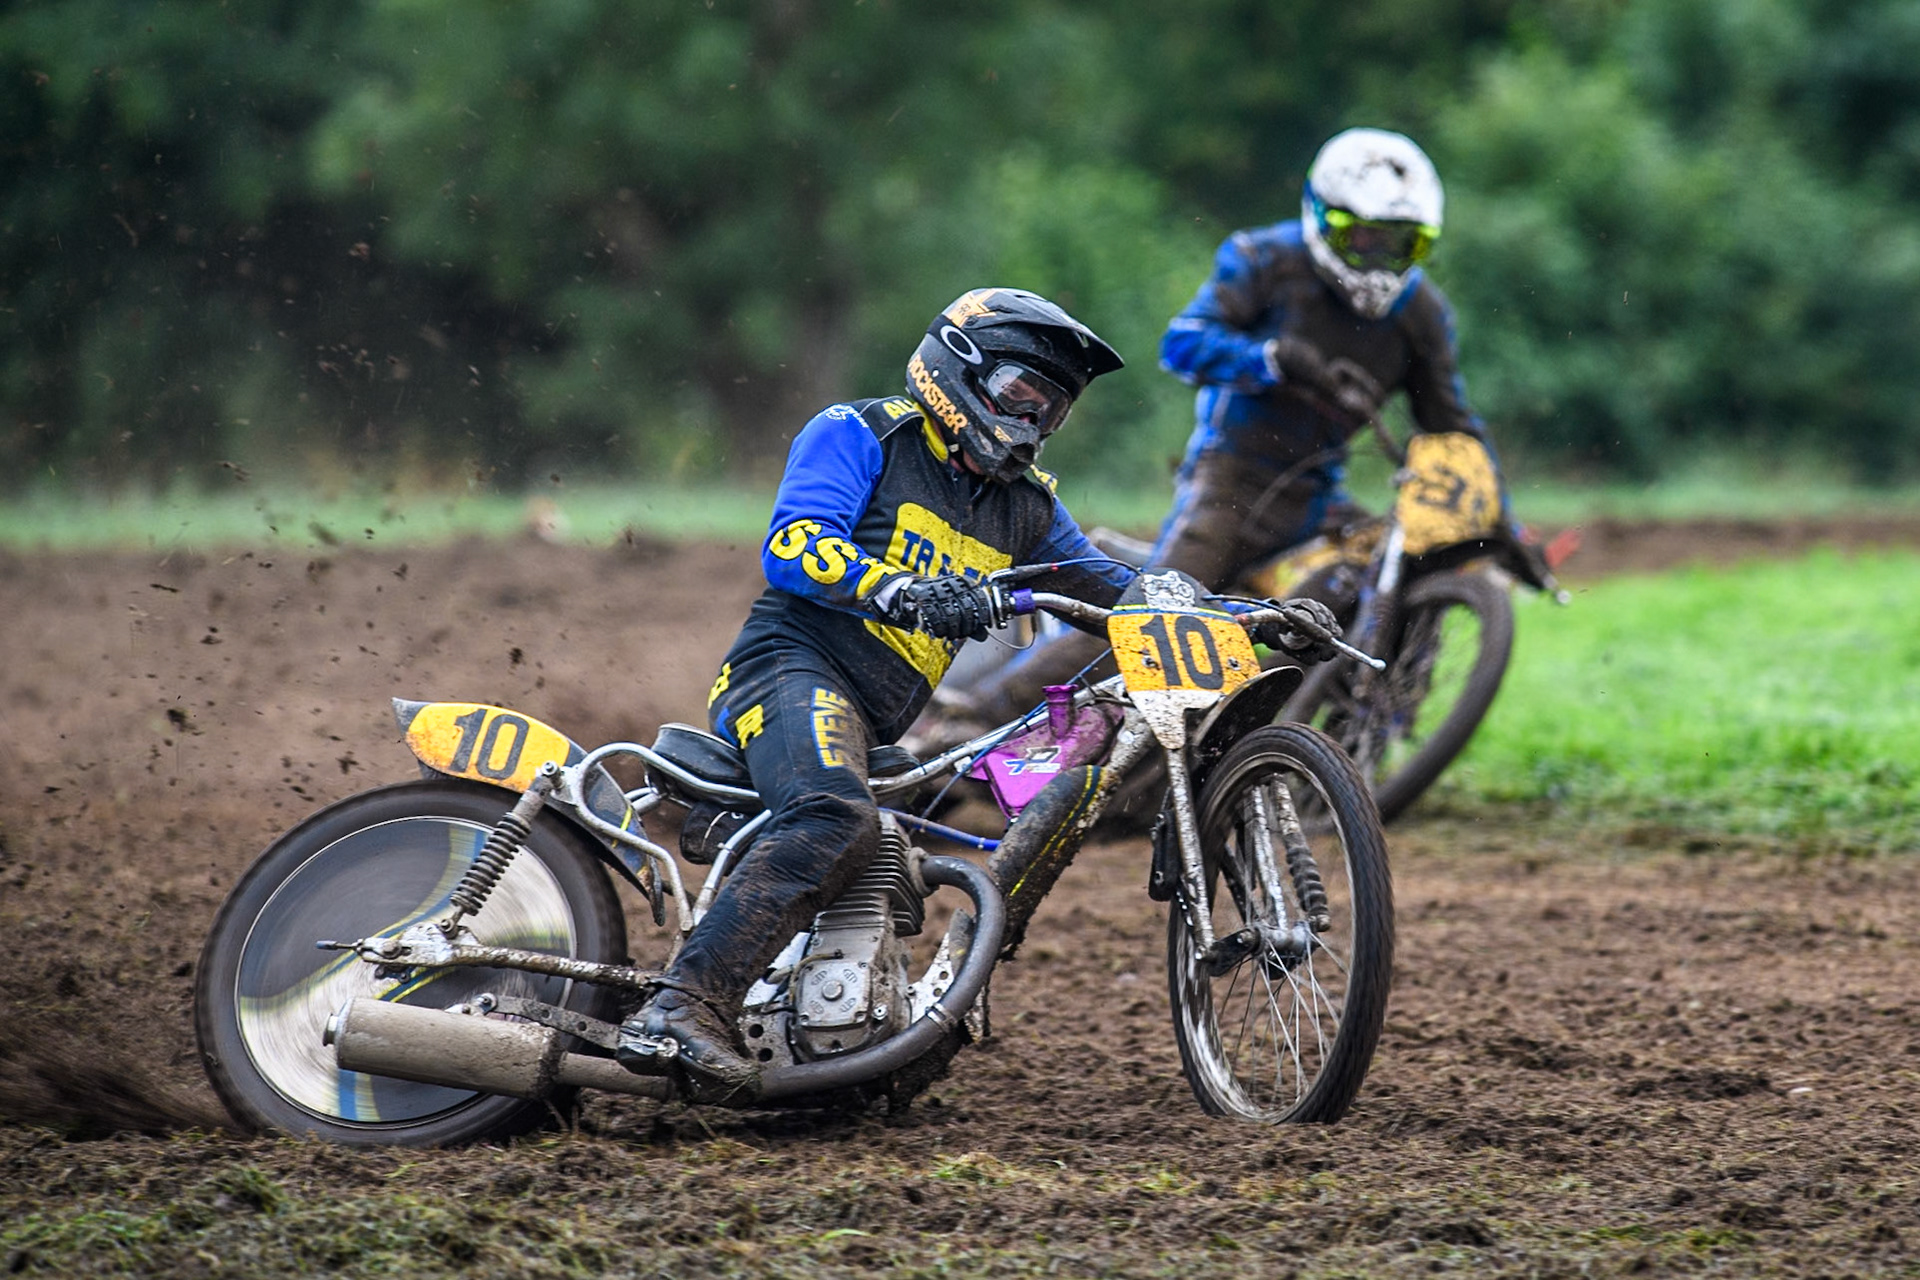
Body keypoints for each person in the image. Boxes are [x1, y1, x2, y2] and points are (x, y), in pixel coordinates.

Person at [615, 287, 1336, 1101]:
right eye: (1019, 396)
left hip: (875, 715)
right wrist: (902, 589)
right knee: (834, 817)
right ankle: (680, 1006)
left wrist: (1251, 616)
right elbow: (793, 544)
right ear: (957, 371)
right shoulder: (861, 433)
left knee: (879, 855)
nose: (1031, 421)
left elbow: (1123, 590)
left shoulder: (1025, 507)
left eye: (1051, 409)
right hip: (789, 668)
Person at [931, 127, 1497, 729]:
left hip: (1319, 498)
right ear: (1319, 216)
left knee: (1397, 565)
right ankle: (977, 719)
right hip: (1231, 480)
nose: (1376, 259)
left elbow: (1451, 426)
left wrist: (1497, 526)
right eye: (1359, 238)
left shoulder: (1423, 313)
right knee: (1155, 614)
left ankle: (1359, 735)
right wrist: (1269, 359)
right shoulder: (1263, 259)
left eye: (1399, 245)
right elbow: (1183, 343)